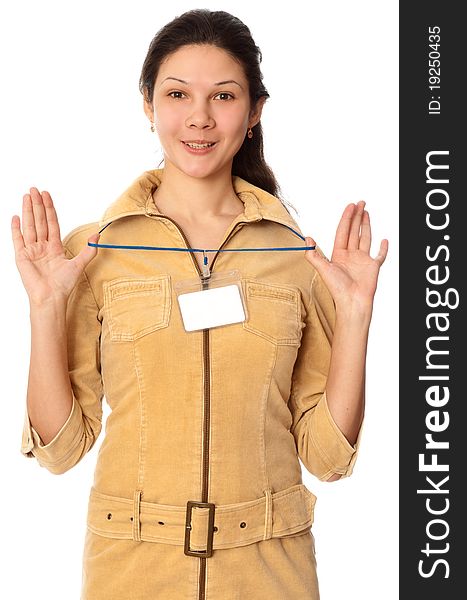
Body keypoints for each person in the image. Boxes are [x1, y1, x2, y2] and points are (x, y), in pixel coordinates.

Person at [11, 8, 388, 600]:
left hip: (271, 570)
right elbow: (60, 451)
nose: (200, 118)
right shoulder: (90, 252)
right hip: (131, 571)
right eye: (178, 93)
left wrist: (358, 318)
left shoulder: (299, 256)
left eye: (224, 95)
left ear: (256, 110)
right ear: (147, 105)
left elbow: (328, 458)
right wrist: (43, 308)